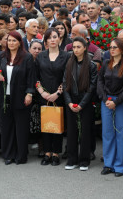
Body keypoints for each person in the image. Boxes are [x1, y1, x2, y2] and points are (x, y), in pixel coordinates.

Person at [0, 31, 35, 165]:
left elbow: (31, 77)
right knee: (6, 127)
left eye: (14, 40)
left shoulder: (27, 57)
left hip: (21, 97)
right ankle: (8, 154)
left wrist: (29, 93)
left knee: (21, 128)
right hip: (4, 97)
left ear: (19, 42)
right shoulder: (1, 56)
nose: (11, 43)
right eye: (9, 40)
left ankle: (21, 155)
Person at [62, 37, 97, 171]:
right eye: (74, 47)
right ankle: (72, 159)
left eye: (78, 47)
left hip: (85, 102)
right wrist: (69, 103)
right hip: (71, 100)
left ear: (84, 48)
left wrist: (82, 104)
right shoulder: (69, 63)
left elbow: (92, 87)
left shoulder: (91, 65)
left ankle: (84, 160)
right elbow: (65, 84)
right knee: (71, 131)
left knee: (85, 131)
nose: (75, 50)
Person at [97, 39, 123, 177]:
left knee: (121, 134)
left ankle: (120, 166)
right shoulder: (106, 63)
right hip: (106, 101)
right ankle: (108, 164)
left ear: (122, 49)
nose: (112, 49)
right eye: (110, 47)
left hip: (121, 103)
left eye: (115, 47)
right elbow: (100, 81)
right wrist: (105, 99)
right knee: (107, 133)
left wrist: (116, 102)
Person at [36, 28, 69, 166]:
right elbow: (35, 77)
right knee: (46, 124)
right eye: (49, 38)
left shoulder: (66, 56)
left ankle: (56, 153)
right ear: (46, 41)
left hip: (59, 95)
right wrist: (42, 92)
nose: (52, 40)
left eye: (55, 37)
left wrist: (57, 93)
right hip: (43, 95)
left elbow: (67, 78)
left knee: (57, 123)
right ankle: (47, 152)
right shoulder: (40, 56)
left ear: (60, 39)